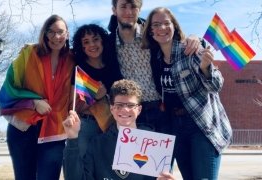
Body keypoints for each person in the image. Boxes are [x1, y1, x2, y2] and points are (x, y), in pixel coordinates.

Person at [141, 7, 232, 179]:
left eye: (166, 23)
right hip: (175, 126)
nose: (162, 28)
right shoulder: (156, 58)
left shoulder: (190, 50)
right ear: (151, 31)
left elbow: (216, 85)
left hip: (200, 125)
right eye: (156, 25)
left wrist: (206, 68)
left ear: (174, 25)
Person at [0, 15, 74, 180]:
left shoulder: (72, 60)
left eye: (60, 32)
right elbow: (8, 89)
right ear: (45, 34)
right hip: (24, 128)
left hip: (54, 131)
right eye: (51, 32)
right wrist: (33, 101)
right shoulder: (29, 54)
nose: (56, 37)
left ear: (67, 34)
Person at [108, 0, 201, 134]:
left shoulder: (153, 34)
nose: (128, 12)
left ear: (139, 10)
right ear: (114, 10)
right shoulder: (108, 43)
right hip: (131, 111)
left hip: (161, 108)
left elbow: (177, 39)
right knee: (134, 155)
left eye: (133, 7)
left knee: (165, 154)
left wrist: (196, 38)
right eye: (123, 7)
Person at [63, 79, 176, 180]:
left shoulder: (155, 145)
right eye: (119, 105)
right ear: (112, 109)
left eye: (131, 105)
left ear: (139, 109)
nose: (125, 110)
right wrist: (72, 138)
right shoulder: (97, 144)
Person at [71, 24, 122, 157]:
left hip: (112, 124)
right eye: (86, 42)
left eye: (95, 39)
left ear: (102, 40)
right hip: (87, 125)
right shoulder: (78, 69)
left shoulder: (113, 64)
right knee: (84, 168)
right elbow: (74, 104)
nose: (92, 45)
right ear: (81, 47)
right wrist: (95, 97)